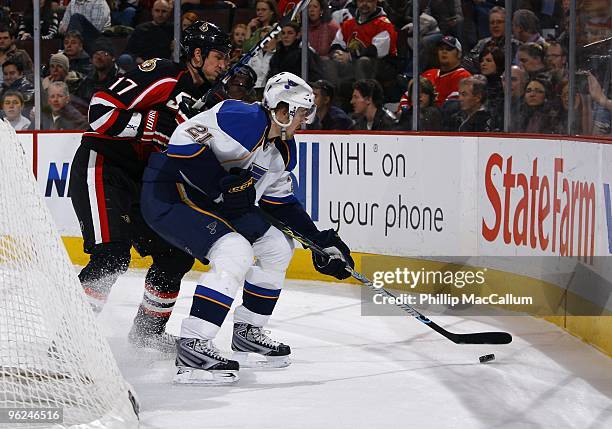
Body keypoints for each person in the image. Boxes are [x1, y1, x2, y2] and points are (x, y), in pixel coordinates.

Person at [140, 72, 355, 384]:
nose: (305, 122)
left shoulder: (281, 149)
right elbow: (181, 142)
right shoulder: (242, 118)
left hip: (213, 204)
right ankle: (193, 346)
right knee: (234, 251)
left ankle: (247, 332)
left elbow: (279, 202)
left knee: (277, 248)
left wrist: (319, 242)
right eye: (302, 114)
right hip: (170, 192)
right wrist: (219, 184)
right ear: (284, 111)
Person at [67, 21, 233, 353]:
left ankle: (146, 335)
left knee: (175, 256)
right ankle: (69, 344)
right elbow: (99, 112)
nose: (224, 65)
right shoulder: (163, 74)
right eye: (219, 56)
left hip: (144, 181)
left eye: (227, 58)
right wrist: (148, 126)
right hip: (104, 166)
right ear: (197, 54)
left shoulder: (210, 102)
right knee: (110, 256)